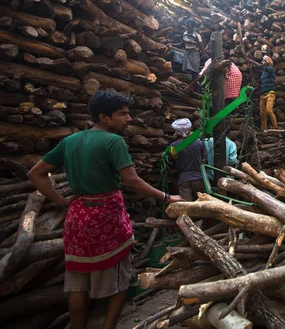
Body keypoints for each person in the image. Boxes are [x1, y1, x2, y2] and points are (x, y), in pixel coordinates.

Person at [27, 91, 183, 329]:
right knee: (119, 280)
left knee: (78, 283)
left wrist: (60, 201)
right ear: (104, 118)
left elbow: (35, 174)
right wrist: (166, 196)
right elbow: (132, 180)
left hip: (77, 217)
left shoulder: (70, 141)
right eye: (123, 114)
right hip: (106, 217)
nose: (129, 119)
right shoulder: (114, 141)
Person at [170, 118, 206, 201]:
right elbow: (204, 158)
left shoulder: (173, 146)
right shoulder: (199, 142)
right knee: (202, 204)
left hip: (183, 179)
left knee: (186, 207)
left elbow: (171, 160)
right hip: (198, 179)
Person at [248, 55, 278, 131]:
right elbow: (262, 82)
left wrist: (252, 61)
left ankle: (276, 128)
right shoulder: (264, 73)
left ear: (268, 61)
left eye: (264, 61)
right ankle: (264, 129)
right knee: (262, 113)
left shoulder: (271, 69)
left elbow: (261, 67)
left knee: (269, 110)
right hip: (263, 94)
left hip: (270, 93)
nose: (262, 62)